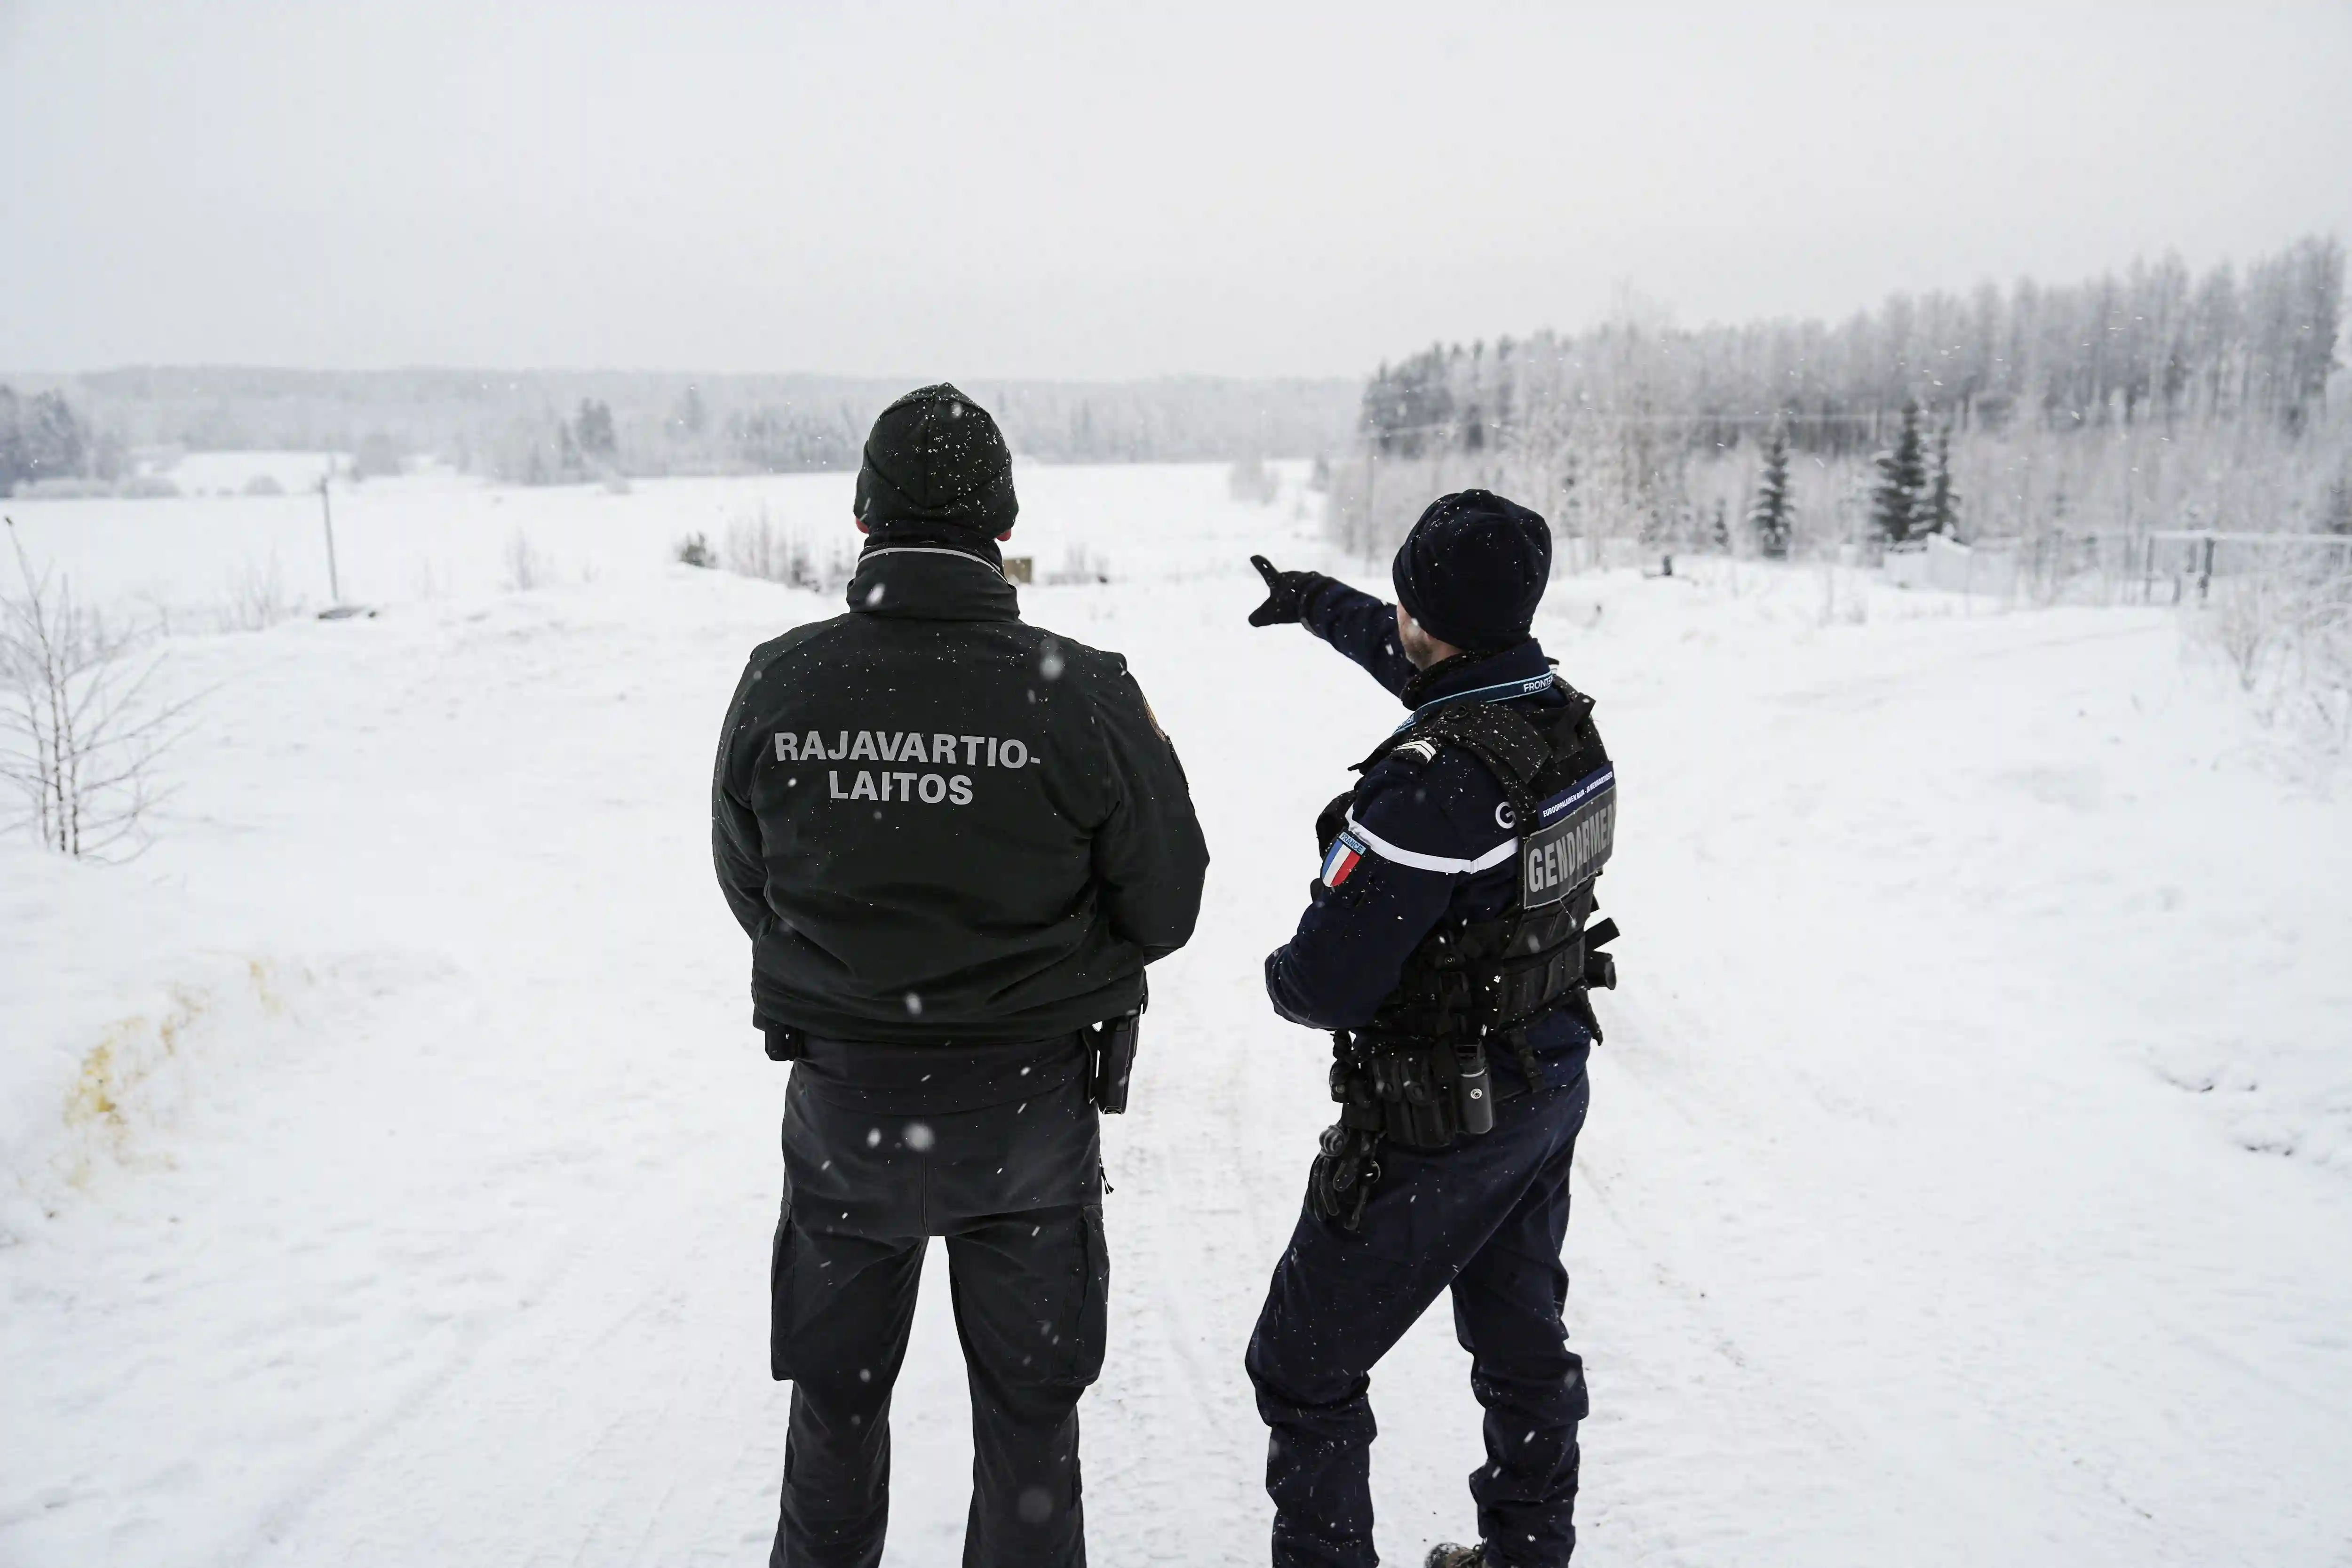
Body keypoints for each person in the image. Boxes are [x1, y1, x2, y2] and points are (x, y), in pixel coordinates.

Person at [711, 383, 1209, 1568]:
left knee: (833, 1412)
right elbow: (1168, 901)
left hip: (846, 1116)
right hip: (1025, 1117)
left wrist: (862, 974)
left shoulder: (782, 681)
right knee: (1031, 1428)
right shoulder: (1078, 689)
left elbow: (752, 886)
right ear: (1000, 520)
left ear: (864, 517)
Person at [1241, 490, 1618, 1568]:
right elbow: (1408, 648)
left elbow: (1325, 984)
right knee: (1520, 1346)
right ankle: (1528, 1552)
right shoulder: (1557, 720)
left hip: (1439, 1121)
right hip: (1544, 1086)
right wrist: (1312, 602)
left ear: (1431, 611)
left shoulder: (1430, 789)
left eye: (1406, 600)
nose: (1395, 619)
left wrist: (1275, 973)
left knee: (1302, 1368)